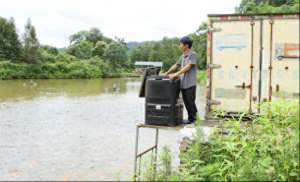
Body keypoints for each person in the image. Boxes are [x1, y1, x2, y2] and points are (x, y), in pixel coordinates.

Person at [165, 36, 198, 124]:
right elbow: (176, 65)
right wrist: (166, 73)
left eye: (181, 44)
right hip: (183, 84)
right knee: (186, 103)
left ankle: (195, 120)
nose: (180, 46)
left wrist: (176, 74)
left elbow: (188, 66)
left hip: (190, 84)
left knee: (191, 102)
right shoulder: (182, 56)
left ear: (186, 45)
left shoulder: (193, 54)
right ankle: (191, 119)